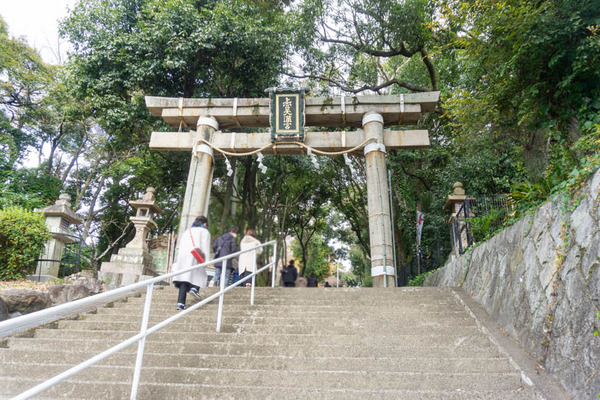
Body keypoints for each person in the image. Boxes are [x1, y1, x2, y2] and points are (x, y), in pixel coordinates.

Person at [172, 216, 210, 310]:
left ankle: (180, 303)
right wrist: (207, 260)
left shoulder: (187, 231)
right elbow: (205, 246)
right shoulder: (204, 231)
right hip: (196, 255)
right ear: (204, 223)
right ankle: (195, 288)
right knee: (200, 273)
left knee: (184, 278)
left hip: (183, 256)